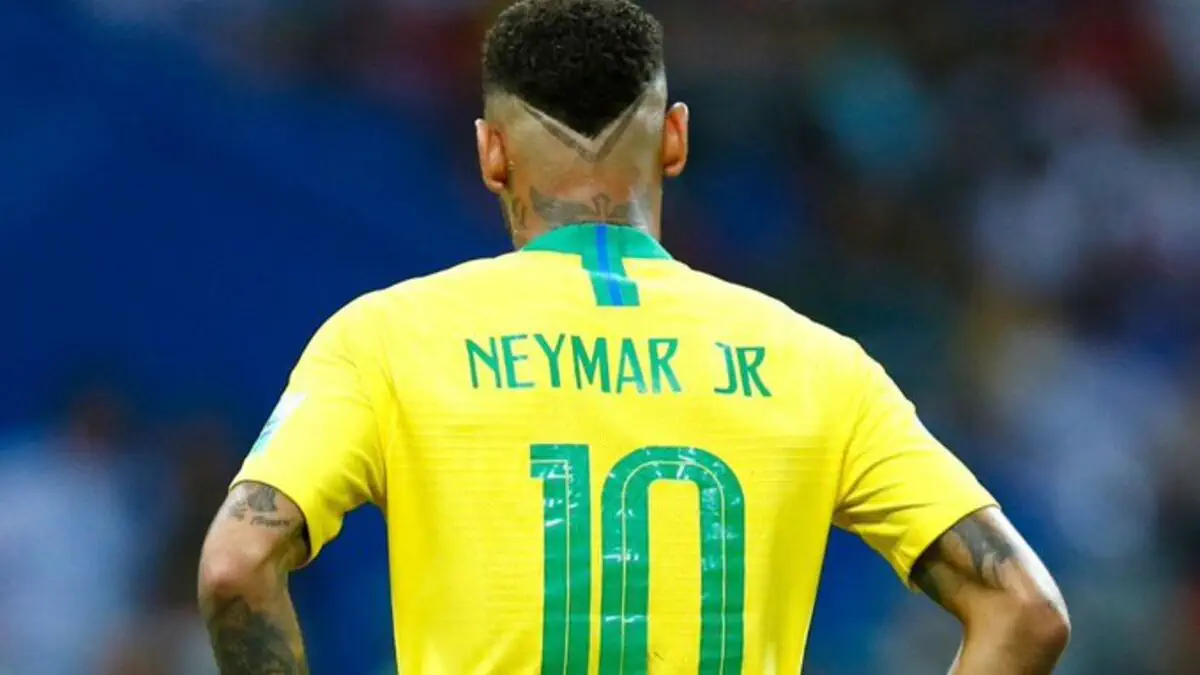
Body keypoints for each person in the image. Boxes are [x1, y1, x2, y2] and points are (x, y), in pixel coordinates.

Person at [197, 1, 1070, 673]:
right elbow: (1025, 608)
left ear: (492, 153)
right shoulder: (819, 365)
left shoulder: (387, 339)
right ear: (676, 139)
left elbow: (236, 566)